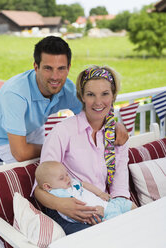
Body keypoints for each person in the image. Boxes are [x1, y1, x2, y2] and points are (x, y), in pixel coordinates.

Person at [0, 36, 128, 164]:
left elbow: (94, 110)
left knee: (54, 166)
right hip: (4, 138)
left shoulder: (68, 89)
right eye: (48, 68)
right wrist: (60, 147)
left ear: (68, 68)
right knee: (33, 171)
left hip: (34, 128)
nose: (55, 76)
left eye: (61, 68)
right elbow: (20, 153)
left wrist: (114, 124)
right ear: (36, 67)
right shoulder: (15, 94)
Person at [34, 65, 132, 235]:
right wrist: (63, 205)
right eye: (90, 94)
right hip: (66, 210)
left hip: (100, 206)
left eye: (105, 94)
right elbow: (39, 188)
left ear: (113, 96)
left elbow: (120, 186)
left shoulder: (117, 136)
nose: (98, 102)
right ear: (82, 97)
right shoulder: (62, 132)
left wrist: (115, 211)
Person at [35, 161, 136, 223]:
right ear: (47, 186)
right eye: (62, 178)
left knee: (129, 204)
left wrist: (100, 193)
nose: (67, 178)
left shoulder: (71, 182)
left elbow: (84, 184)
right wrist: (93, 212)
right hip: (99, 213)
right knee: (121, 223)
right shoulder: (59, 194)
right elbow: (75, 209)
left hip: (107, 203)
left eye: (66, 174)